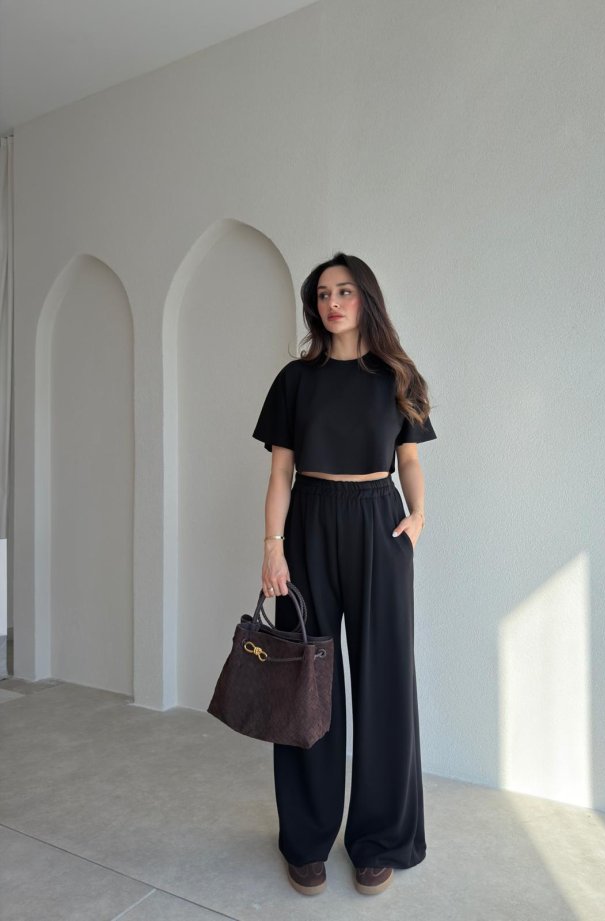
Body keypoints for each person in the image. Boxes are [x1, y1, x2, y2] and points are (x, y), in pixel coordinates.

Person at [251, 252, 436, 897]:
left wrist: (418, 515)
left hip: (380, 523)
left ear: (367, 299)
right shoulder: (295, 380)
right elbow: (280, 471)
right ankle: (306, 839)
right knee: (308, 681)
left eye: (345, 291)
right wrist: (273, 546)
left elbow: (409, 458)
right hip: (308, 523)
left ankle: (378, 838)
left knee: (385, 679)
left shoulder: (396, 376)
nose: (333, 303)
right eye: (324, 294)